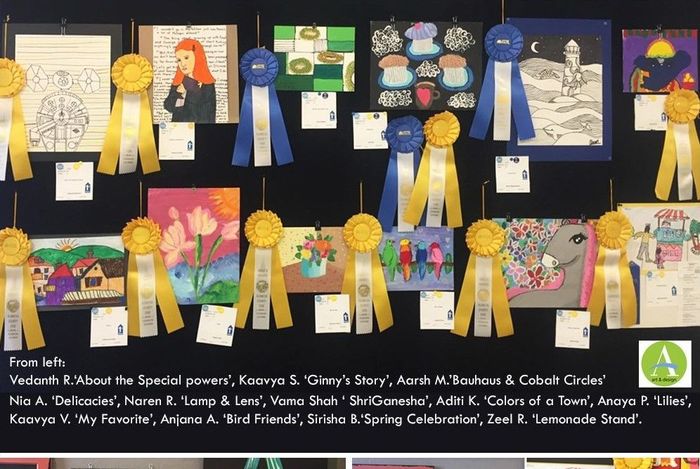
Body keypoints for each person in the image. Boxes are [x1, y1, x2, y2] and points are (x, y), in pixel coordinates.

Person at [163, 38, 216, 123]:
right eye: (179, 60)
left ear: (197, 56)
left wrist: (190, 92)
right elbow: (168, 106)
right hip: (177, 128)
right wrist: (180, 94)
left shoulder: (207, 84)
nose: (182, 64)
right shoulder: (178, 82)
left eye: (186, 58)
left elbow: (206, 114)